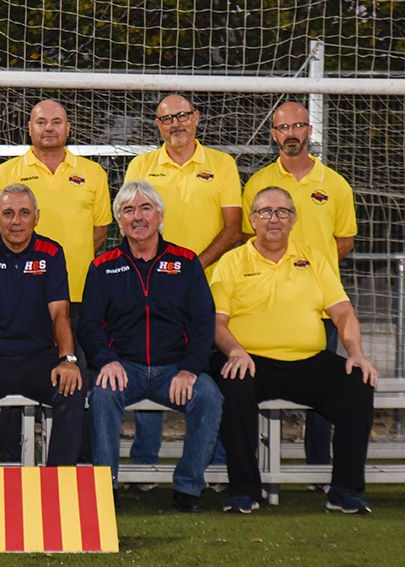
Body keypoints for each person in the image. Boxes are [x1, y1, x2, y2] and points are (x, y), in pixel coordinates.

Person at [211, 187, 376, 514]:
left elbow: (343, 313)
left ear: (293, 219)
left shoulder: (315, 258)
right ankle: (244, 491)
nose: (274, 219)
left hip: (307, 362)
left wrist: (356, 352)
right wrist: (235, 351)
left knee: (358, 383)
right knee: (232, 384)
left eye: (282, 212)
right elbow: (217, 322)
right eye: (265, 212)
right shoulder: (231, 262)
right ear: (252, 220)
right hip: (250, 361)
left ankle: (345, 491)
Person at [79, 180, 222, 512]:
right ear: (119, 221)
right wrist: (106, 360)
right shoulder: (102, 266)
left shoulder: (186, 263)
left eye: (145, 208)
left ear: (160, 216)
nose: (138, 217)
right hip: (123, 368)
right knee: (102, 396)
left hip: (174, 369)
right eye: (128, 210)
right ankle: (105, 490)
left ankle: (188, 487)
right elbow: (89, 325)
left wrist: (190, 368)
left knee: (209, 396)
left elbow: (203, 323)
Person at [0, 99, 112, 461]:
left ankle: (75, 461)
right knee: (15, 371)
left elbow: (100, 232)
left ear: (68, 128)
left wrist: (58, 268)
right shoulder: (5, 173)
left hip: (77, 295)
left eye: (57, 122)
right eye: (42, 122)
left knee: (75, 373)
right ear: (30, 128)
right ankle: (11, 459)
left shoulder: (93, 174)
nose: (49, 128)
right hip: (20, 296)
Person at [122, 95, 240, 478]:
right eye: (167, 118)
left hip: (210, 283)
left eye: (183, 115)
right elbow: (131, 221)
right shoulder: (142, 165)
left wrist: (191, 267)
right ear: (158, 125)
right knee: (149, 360)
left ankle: (215, 462)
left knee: (207, 370)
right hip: (151, 284)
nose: (176, 123)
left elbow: (233, 227)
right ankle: (145, 460)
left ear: (196, 118)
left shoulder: (222, 164)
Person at [242, 101, 358, 484]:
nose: (290, 133)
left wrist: (309, 271)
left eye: (297, 126)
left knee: (323, 387)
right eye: (283, 127)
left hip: (318, 308)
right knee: (251, 382)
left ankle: (318, 467)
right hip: (266, 306)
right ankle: (247, 465)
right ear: (273, 134)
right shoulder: (257, 183)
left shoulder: (335, 184)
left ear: (309, 130)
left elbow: (344, 240)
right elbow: (249, 238)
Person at [0, 184, 84, 467]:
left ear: (37, 216)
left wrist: (67, 360)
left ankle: (60, 479)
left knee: (72, 387)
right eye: (8, 213)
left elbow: (61, 314)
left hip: (39, 358)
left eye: (24, 213)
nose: (16, 221)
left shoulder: (51, 252)